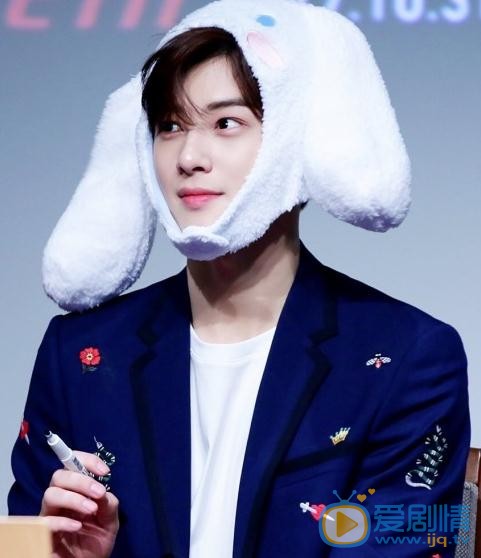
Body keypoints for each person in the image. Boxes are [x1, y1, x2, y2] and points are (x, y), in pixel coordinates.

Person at [8, 1, 470, 557]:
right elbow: (25, 537)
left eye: (227, 123)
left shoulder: (408, 356)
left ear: (300, 143)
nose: (188, 156)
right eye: (169, 126)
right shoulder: (80, 353)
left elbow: (410, 546)